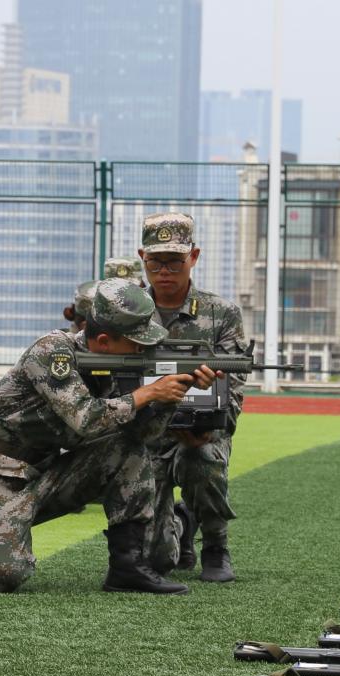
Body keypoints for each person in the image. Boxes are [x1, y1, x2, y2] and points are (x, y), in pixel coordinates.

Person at [0, 278, 219, 595]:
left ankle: (127, 569)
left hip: (42, 474)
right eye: (136, 343)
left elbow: (141, 437)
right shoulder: (52, 351)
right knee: (1, 576)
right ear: (104, 341)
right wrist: (146, 394)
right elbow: (86, 419)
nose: (142, 350)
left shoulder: (116, 368)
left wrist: (170, 398)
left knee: (126, 449)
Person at [137, 212, 248, 582]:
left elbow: (233, 389)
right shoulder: (127, 312)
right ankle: (180, 527)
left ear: (194, 257)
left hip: (202, 434)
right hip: (144, 435)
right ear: (142, 258)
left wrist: (208, 427)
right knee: (157, 561)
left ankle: (215, 546)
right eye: (155, 262)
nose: (164, 271)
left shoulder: (221, 314)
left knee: (201, 459)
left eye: (175, 261)